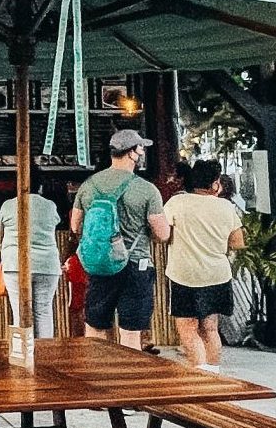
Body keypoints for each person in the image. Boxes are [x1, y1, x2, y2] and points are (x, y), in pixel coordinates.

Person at [70, 130, 170, 353]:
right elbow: (163, 234)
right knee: (130, 332)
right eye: (140, 148)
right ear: (132, 154)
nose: (143, 152)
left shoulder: (89, 186)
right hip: (136, 264)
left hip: (99, 265)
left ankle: (96, 377)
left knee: (95, 327)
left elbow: (76, 226)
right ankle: (127, 381)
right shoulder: (146, 189)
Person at [164, 159, 245, 372]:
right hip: (217, 275)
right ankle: (213, 374)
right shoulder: (226, 207)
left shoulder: (177, 203)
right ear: (215, 183)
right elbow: (238, 243)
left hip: (184, 274)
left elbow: (161, 235)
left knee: (188, 328)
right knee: (210, 328)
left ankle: (199, 375)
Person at [0, 186, 61, 337]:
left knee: (20, 312)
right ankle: (45, 353)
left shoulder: (8, 205)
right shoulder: (49, 205)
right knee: (43, 311)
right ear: (41, 186)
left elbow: (0, 233)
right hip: (47, 264)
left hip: (15, 263)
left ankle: (23, 355)